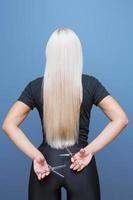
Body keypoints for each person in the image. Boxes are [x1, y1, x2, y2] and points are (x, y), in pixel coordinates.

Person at [2, 28, 129, 200]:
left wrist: (36, 156)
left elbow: (8, 124)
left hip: (45, 164)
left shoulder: (36, 86)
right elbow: (121, 119)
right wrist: (89, 151)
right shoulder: (90, 84)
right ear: (77, 53)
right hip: (80, 164)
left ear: (50, 53)